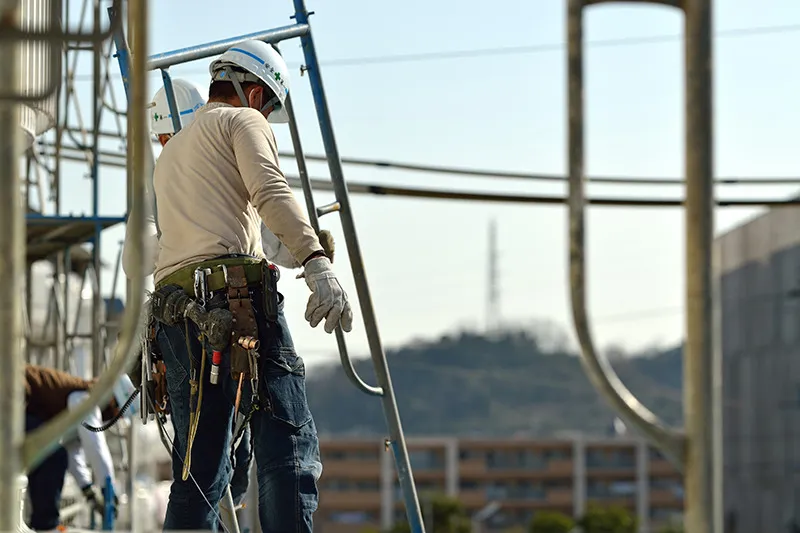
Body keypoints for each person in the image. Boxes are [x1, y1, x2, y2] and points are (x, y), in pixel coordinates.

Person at [150, 40, 352, 531]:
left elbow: (221, 228)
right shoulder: (243, 121)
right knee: (287, 444)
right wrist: (316, 260)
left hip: (177, 316)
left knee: (200, 471)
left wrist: (294, 243)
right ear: (256, 91)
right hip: (235, 301)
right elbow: (269, 190)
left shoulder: (171, 155)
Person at [23, 364, 138, 531]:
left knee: (51, 454)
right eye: (117, 414)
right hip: (13, 395)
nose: (114, 419)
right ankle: (45, 526)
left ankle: (43, 524)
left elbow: (72, 449)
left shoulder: (81, 401)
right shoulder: (85, 399)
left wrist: (88, 490)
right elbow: (95, 442)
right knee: (52, 455)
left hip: (21, 405)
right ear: (113, 402)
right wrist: (108, 487)